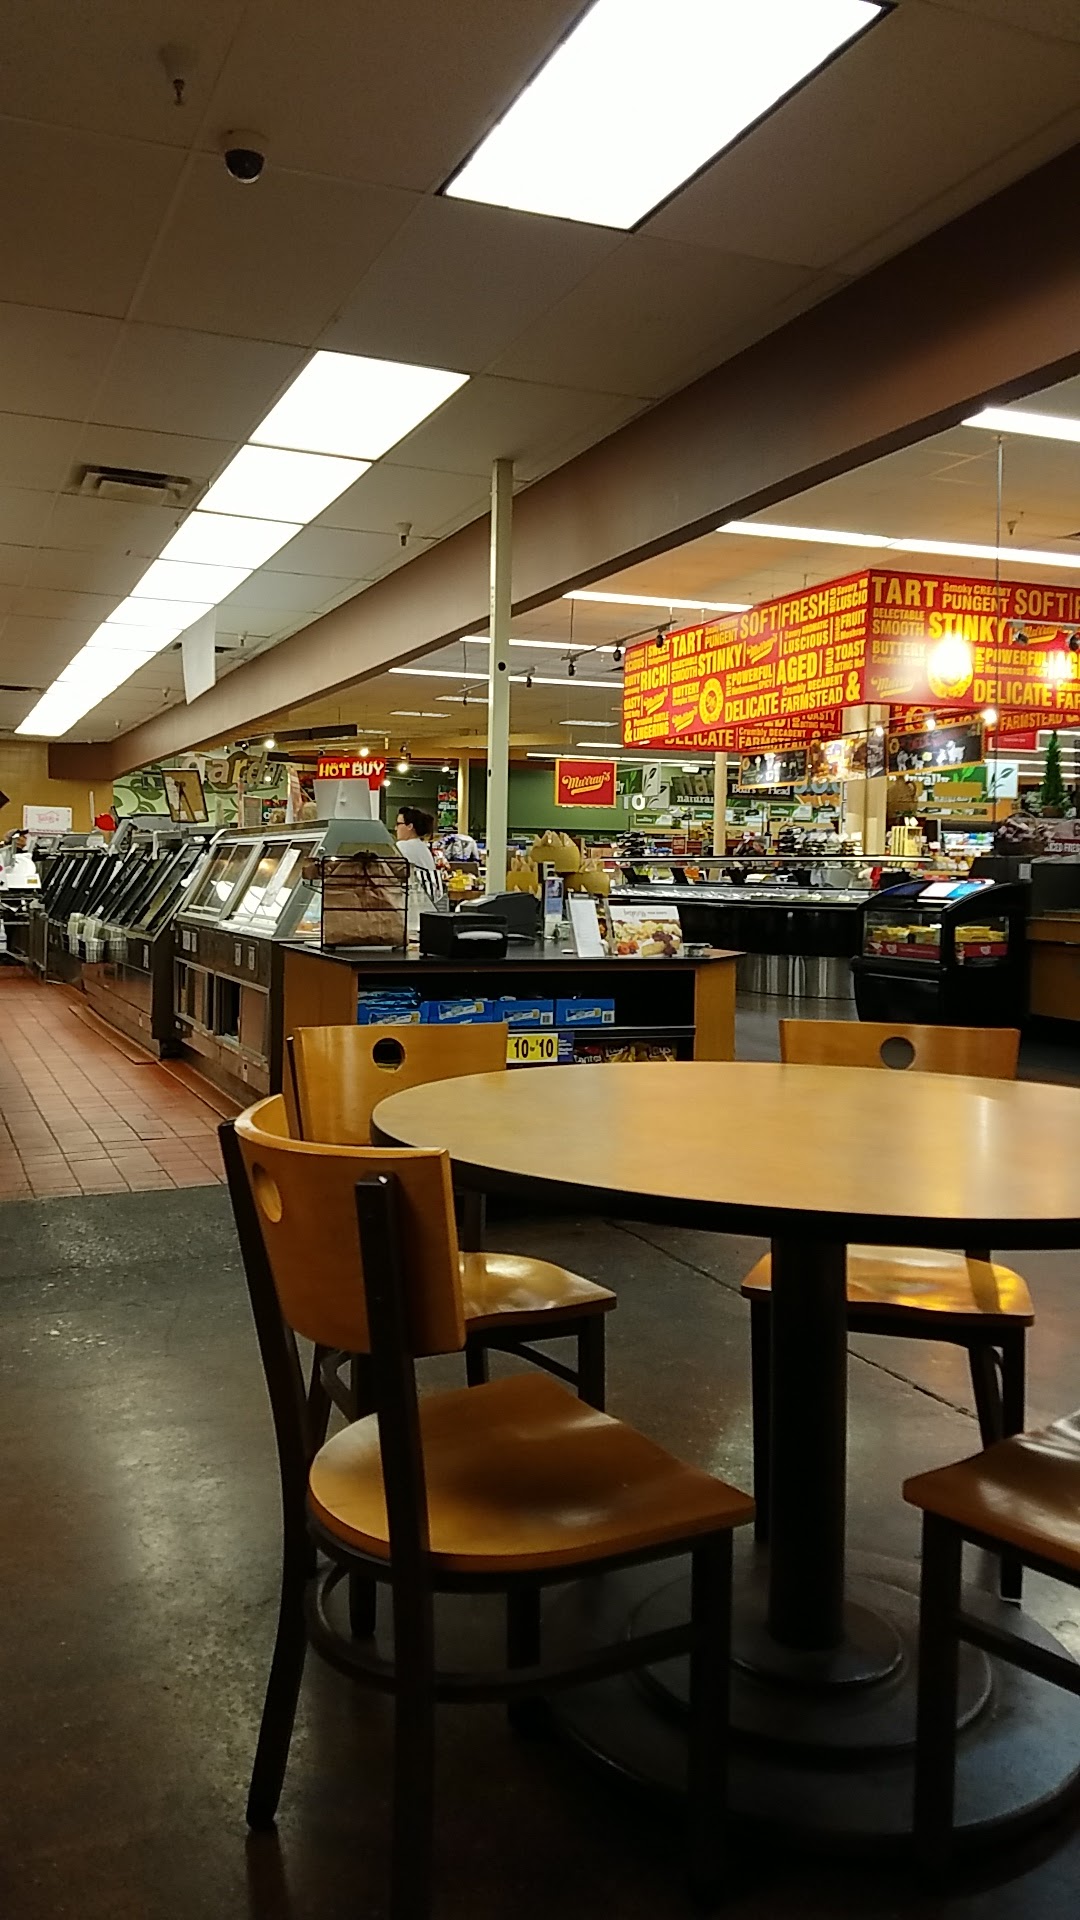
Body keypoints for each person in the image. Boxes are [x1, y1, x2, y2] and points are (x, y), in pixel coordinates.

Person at [394, 806, 445, 934]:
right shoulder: (423, 847)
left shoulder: (403, 847)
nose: (395, 828)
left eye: (398, 824)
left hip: (413, 913)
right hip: (430, 912)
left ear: (410, 826)